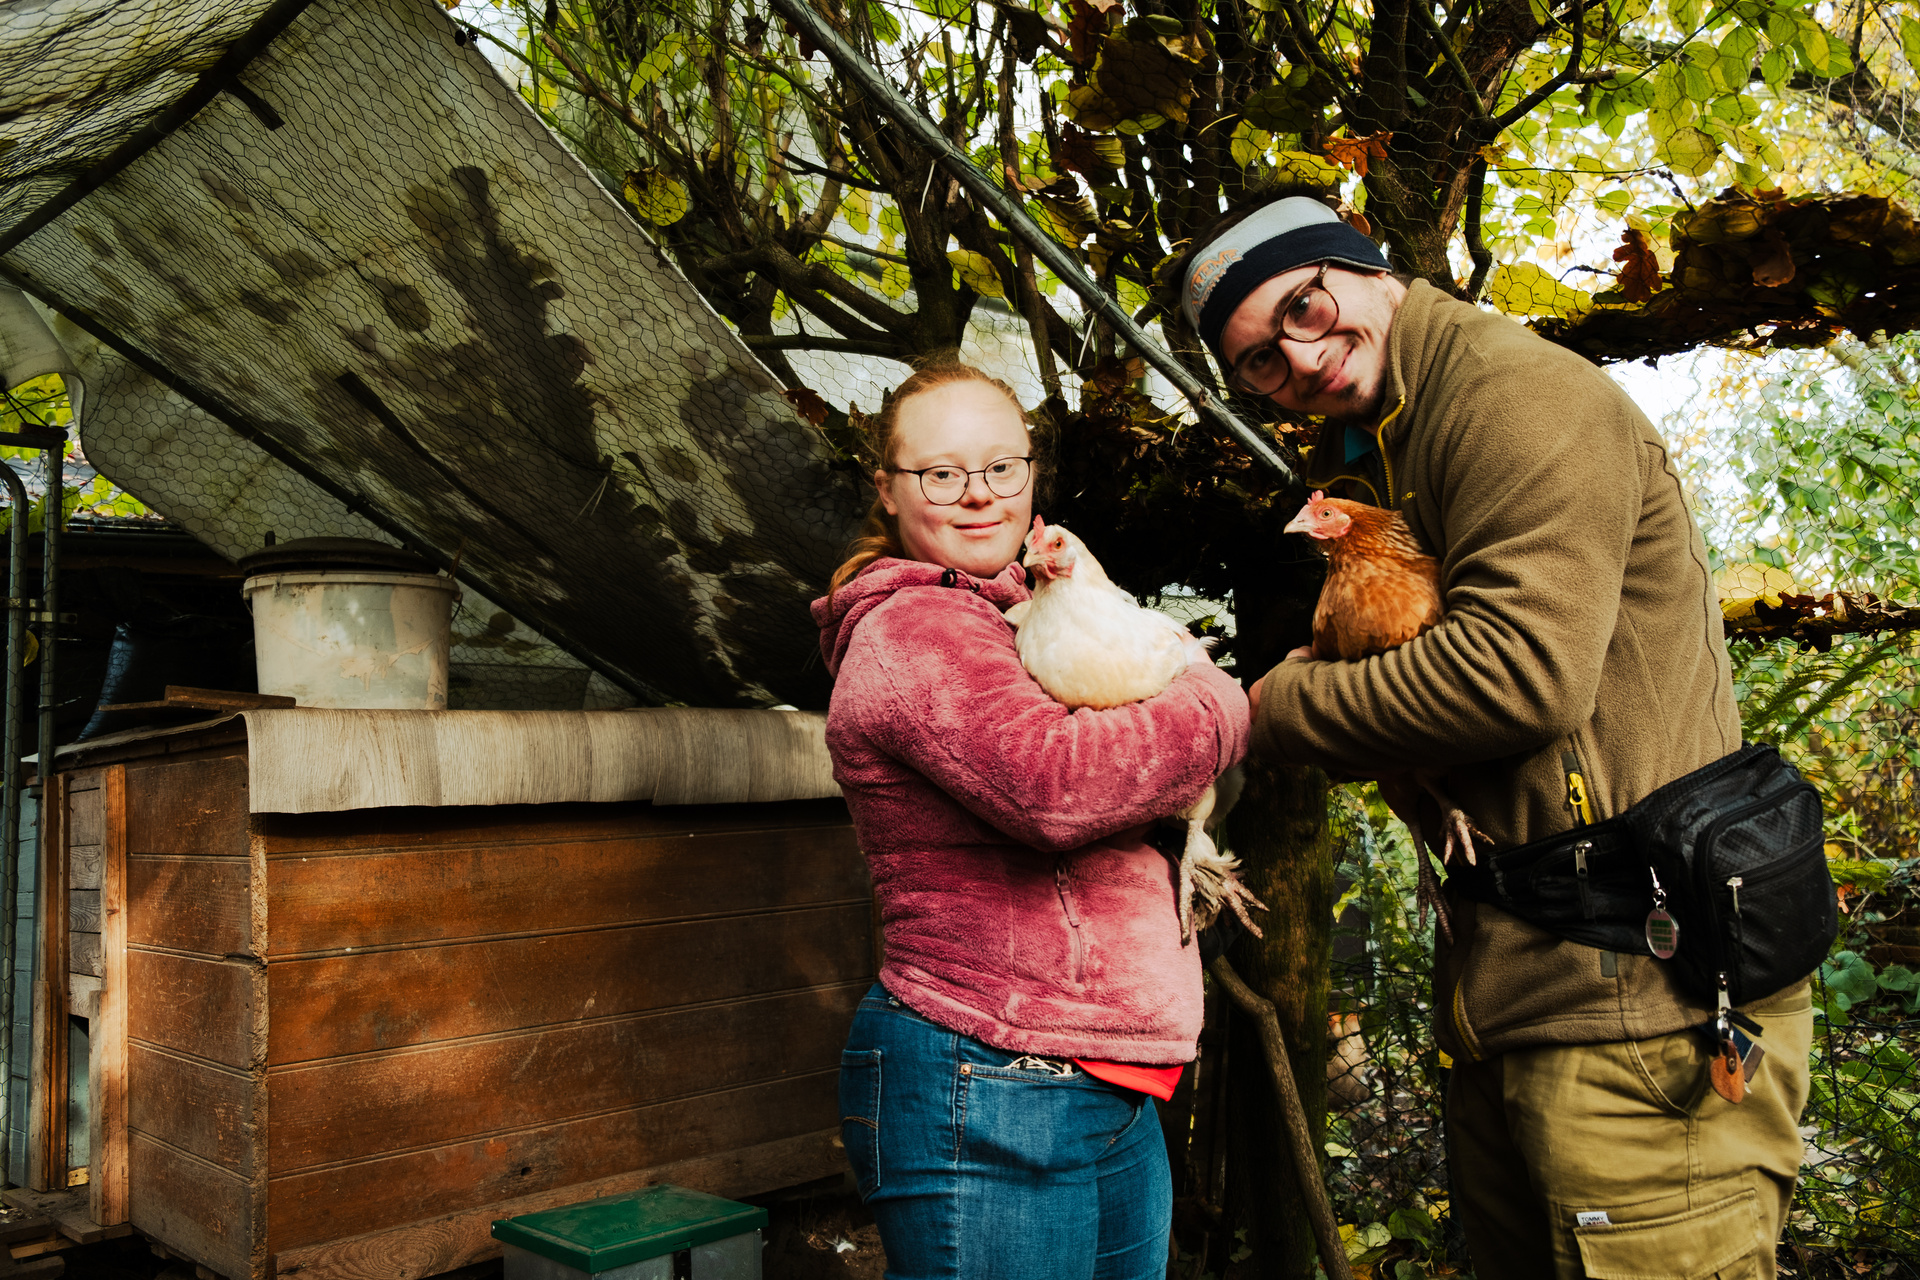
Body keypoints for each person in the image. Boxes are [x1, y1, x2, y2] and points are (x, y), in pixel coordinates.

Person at [1177, 193, 1813, 1278]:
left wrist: (1269, 707)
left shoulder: (1513, 395)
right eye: (1260, 364)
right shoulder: (1390, 441)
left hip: (1639, 1004)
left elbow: (1519, 679)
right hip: (1525, 992)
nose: (1303, 356)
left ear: (1360, 263)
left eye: (1306, 305)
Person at [809, 362, 1250, 1280]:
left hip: (1094, 1077)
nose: (978, 496)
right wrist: (1219, 701)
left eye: (1001, 468)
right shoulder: (913, 631)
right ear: (888, 492)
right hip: (988, 1073)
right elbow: (1061, 787)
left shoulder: (1014, 613)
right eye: (940, 474)